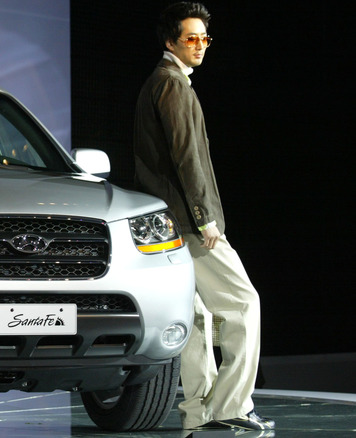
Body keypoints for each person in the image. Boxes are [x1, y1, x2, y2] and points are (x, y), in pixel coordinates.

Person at [133, 2, 274, 432]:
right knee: (243, 304)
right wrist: (205, 218)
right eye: (191, 38)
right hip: (191, 224)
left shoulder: (157, 83)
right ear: (170, 40)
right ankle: (232, 405)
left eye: (204, 38)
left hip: (166, 224)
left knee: (197, 316)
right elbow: (187, 159)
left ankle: (199, 412)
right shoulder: (172, 85)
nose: (200, 46)